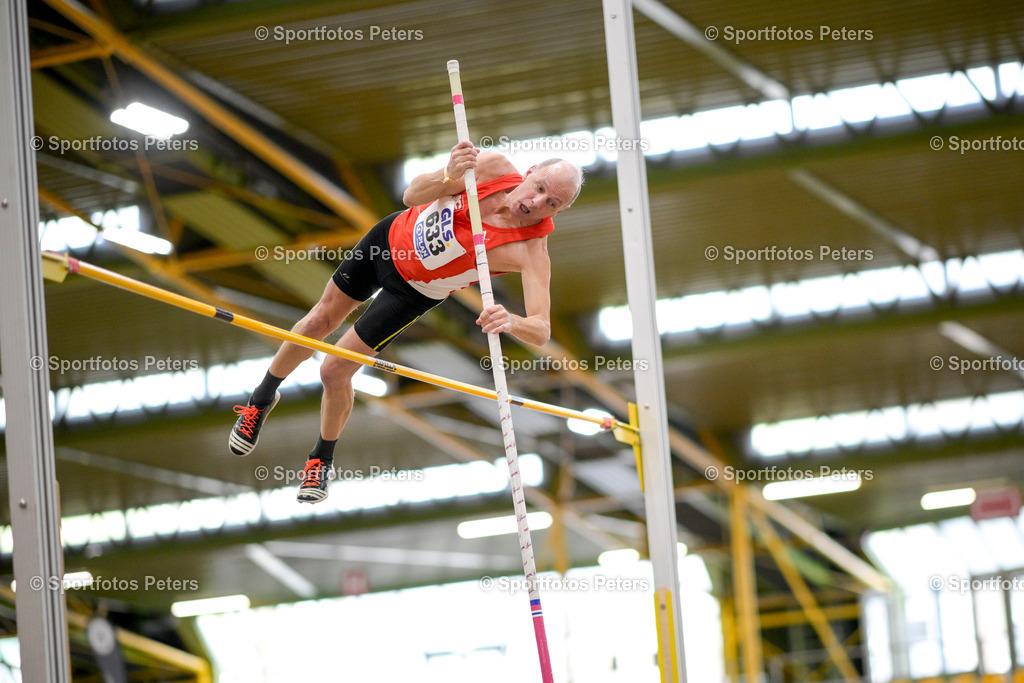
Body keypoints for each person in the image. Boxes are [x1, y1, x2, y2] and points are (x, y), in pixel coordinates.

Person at [228, 141, 583, 503]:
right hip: (387, 241)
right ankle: (261, 398)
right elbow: (412, 195)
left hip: (414, 292)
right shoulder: (490, 167)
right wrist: (449, 174)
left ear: (560, 211)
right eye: (539, 188)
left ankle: (320, 460)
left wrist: (511, 320)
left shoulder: (531, 251)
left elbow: (541, 330)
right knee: (320, 319)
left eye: (552, 204)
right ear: (530, 172)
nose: (537, 203)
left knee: (334, 370)